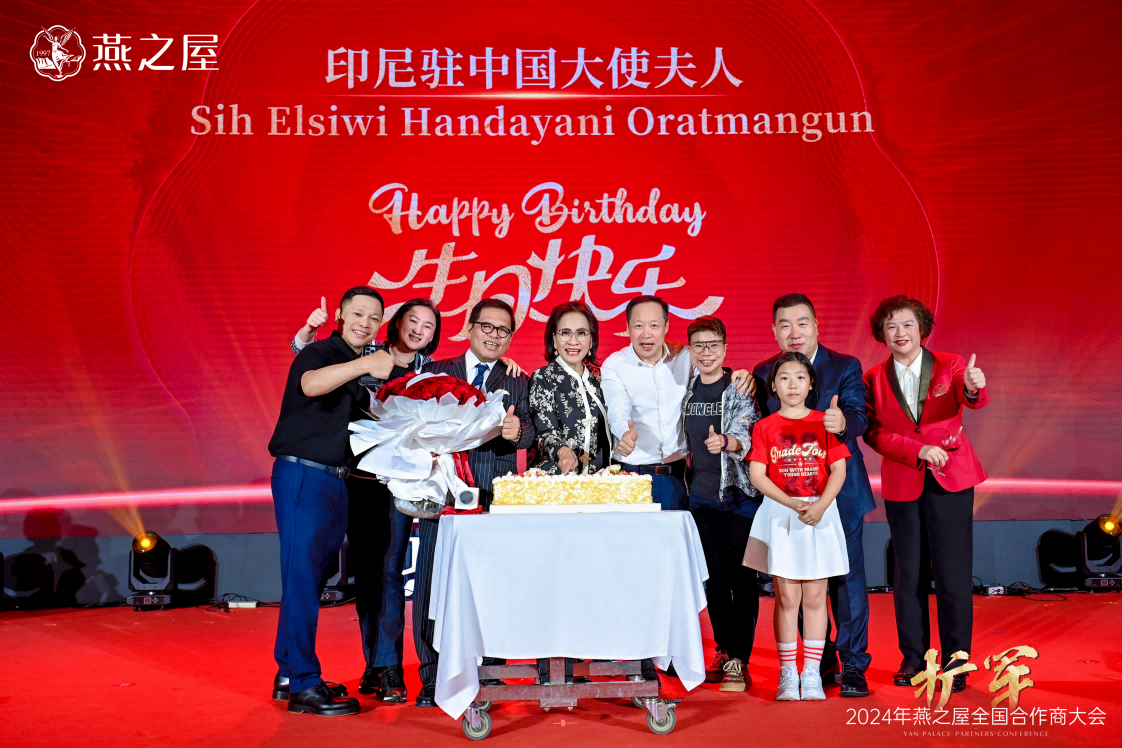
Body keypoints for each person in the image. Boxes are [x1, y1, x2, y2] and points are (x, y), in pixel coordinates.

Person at [266, 286, 394, 716]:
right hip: (303, 475)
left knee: (309, 580)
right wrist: (365, 364)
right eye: (358, 314)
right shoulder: (321, 352)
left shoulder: (354, 370)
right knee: (303, 578)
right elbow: (310, 384)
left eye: (374, 318)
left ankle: (289, 673)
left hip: (337, 481)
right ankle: (304, 683)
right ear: (340, 315)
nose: (365, 323)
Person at [410, 298, 535, 707]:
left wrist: (517, 432)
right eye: (487, 326)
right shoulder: (436, 371)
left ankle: (492, 671)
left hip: (494, 495)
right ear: (469, 327)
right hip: (441, 494)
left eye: (504, 330)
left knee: (493, 584)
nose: (494, 335)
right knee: (431, 581)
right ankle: (432, 675)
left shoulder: (518, 379)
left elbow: (531, 431)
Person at [751, 293, 876, 696]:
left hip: (840, 494)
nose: (794, 331)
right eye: (784, 324)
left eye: (802, 322)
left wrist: (842, 422)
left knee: (846, 582)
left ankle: (853, 665)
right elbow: (762, 428)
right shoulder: (763, 372)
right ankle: (815, 665)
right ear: (774, 330)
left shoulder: (845, 365)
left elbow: (860, 416)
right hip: (787, 499)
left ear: (816, 325)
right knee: (796, 581)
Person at [862, 295, 989, 693]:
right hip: (904, 478)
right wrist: (916, 450)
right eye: (891, 326)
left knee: (952, 573)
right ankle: (914, 658)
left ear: (922, 329)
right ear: (882, 333)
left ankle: (956, 661)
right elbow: (872, 432)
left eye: (907, 324)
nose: (900, 333)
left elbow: (970, 398)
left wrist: (974, 389)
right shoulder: (873, 378)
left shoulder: (951, 364)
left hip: (951, 477)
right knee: (908, 574)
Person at [744, 352, 850, 702]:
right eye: (784, 378)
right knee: (787, 597)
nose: (793, 384)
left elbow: (839, 470)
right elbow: (758, 475)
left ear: (811, 383)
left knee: (816, 597)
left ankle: (812, 673)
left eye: (800, 377)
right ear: (773, 386)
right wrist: (792, 504)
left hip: (820, 514)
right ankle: (788, 673)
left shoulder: (825, 422)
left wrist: (820, 506)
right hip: (782, 515)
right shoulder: (764, 426)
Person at [600, 295, 755, 512]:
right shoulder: (615, 365)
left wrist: (738, 376)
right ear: (627, 328)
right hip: (633, 475)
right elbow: (617, 408)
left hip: (678, 478)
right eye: (638, 326)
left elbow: (710, 372)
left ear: (666, 326)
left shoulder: (683, 356)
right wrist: (625, 433)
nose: (646, 333)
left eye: (654, 325)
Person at [681, 316, 761, 692]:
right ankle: (724, 650)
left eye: (713, 344)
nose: (706, 352)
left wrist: (727, 442)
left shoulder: (739, 387)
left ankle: (740, 660)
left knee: (743, 580)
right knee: (713, 580)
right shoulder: (687, 389)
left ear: (725, 348)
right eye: (699, 345)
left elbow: (748, 430)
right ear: (690, 350)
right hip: (701, 497)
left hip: (740, 497)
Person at [529, 301, 610, 474]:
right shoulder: (542, 378)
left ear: (591, 340)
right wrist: (562, 451)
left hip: (601, 480)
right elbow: (544, 431)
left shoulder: (602, 378)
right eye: (565, 333)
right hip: (556, 478)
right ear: (554, 339)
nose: (573, 341)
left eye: (581, 333)